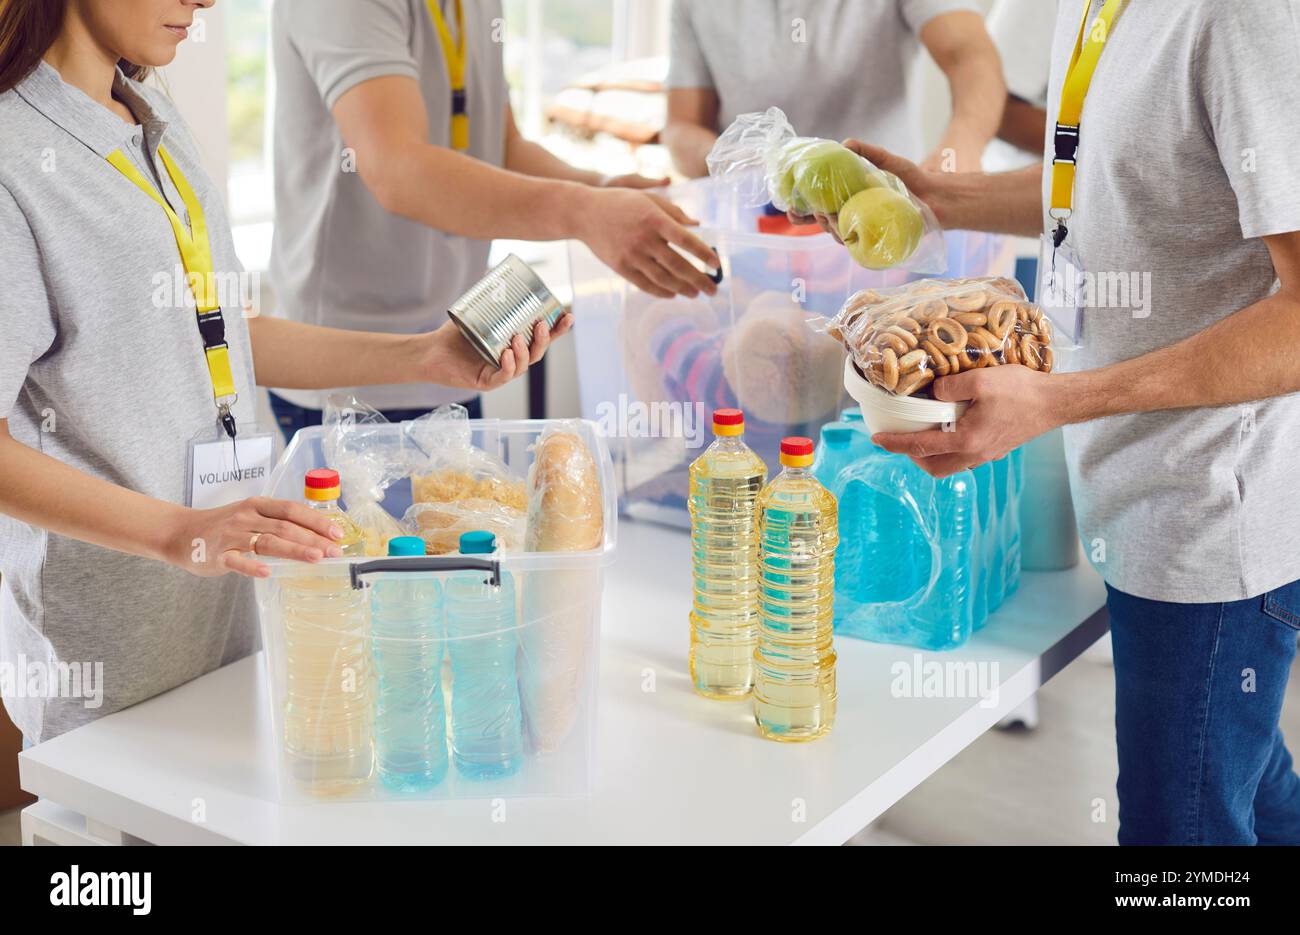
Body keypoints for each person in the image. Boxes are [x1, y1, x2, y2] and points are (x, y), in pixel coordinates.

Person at [0, 0, 569, 745]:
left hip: (230, 620)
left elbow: (227, 332)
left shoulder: (151, 121)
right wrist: (179, 532)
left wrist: (424, 356)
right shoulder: (16, 158)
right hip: (109, 661)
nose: (205, 2)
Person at [820, 1, 1300, 845]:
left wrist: (1058, 400)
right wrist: (940, 198)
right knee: (1248, 787)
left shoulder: (1242, 16)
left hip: (1209, 527)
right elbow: (1111, 191)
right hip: (1136, 490)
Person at [267, 0, 720, 439]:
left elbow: (500, 146)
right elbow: (398, 170)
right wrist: (585, 212)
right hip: (351, 384)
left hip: (458, 346)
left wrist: (602, 188)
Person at [661, 0, 1005, 179]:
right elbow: (682, 126)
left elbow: (970, 55)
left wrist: (963, 146)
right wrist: (744, 164)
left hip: (885, 215)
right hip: (758, 229)